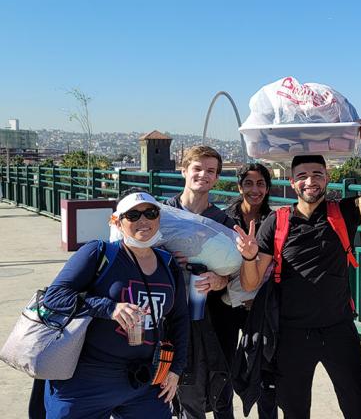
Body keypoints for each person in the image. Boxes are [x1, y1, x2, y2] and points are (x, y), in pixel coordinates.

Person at [238, 119, 361, 418]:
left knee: (356, 407)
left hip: (339, 329)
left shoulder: (345, 212)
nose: (310, 181)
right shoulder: (276, 222)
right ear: (291, 182)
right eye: (302, 176)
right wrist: (249, 257)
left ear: (328, 178)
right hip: (291, 334)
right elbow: (249, 284)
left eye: (317, 175)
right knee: (296, 410)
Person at [42, 190, 189, 419]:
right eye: (133, 215)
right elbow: (54, 297)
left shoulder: (168, 264)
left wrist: (176, 368)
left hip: (145, 379)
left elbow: (180, 319)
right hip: (88, 379)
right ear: (118, 222)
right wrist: (109, 308)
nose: (143, 220)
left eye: (150, 213)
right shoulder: (99, 253)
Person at [163, 145, 240, 419]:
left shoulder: (223, 222)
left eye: (210, 171)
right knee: (175, 393)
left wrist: (220, 280)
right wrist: (167, 259)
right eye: (197, 169)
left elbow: (238, 272)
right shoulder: (160, 214)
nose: (203, 175)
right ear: (183, 171)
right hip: (168, 317)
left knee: (218, 389)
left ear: (217, 178)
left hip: (210, 319)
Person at [222, 162, 277, 419]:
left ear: (267, 188)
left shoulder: (275, 221)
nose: (255, 190)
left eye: (261, 184)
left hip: (262, 308)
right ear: (239, 186)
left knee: (266, 370)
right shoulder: (224, 220)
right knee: (224, 368)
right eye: (248, 183)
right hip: (227, 306)